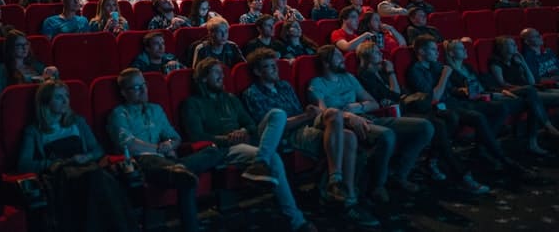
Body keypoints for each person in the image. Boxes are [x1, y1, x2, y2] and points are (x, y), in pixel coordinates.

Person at [242, 48, 379, 226]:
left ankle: (335, 184)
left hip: (304, 125)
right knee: (349, 139)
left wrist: (309, 114)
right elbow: (272, 128)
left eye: (275, 65)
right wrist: (305, 116)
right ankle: (345, 199)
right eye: (268, 67)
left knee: (335, 116)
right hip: (288, 134)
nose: (275, 69)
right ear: (257, 72)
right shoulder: (253, 93)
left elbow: (301, 113)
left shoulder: (284, 86)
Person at [181, 58, 318, 232]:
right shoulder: (192, 104)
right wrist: (228, 138)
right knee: (274, 157)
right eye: (216, 72)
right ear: (202, 78)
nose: (221, 76)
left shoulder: (230, 98)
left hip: (248, 139)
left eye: (222, 72)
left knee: (278, 114)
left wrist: (245, 131)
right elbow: (197, 136)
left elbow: (252, 125)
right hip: (226, 147)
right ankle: (297, 221)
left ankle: (259, 163)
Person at [357, 41, 490, 194]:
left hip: (405, 107)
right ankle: (459, 174)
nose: (381, 53)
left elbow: (396, 93)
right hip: (394, 113)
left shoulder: (382, 71)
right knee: (438, 125)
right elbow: (392, 96)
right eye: (375, 52)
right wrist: (392, 77)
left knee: (445, 120)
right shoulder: (364, 75)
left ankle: (435, 163)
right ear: (366, 56)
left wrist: (390, 73)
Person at [309, 44, 434, 201]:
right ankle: (378, 185)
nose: (343, 58)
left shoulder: (349, 77)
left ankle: (398, 174)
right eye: (337, 56)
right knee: (387, 135)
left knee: (425, 127)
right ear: (326, 63)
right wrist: (348, 115)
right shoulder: (317, 83)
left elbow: (373, 103)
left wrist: (357, 106)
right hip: (346, 124)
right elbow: (324, 113)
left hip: (369, 116)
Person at [108, 68, 222, 232]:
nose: (143, 90)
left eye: (144, 85)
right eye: (136, 87)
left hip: (168, 161)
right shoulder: (119, 114)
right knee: (181, 176)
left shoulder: (156, 109)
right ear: (124, 93)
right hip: (143, 163)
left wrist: (170, 145)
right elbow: (128, 144)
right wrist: (158, 149)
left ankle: (178, 170)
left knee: (213, 151)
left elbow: (175, 138)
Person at [17, 80, 139, 232]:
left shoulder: (77, 122)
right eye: (59, 97)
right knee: (98, 180)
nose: (65, 101)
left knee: (100, 179)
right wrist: (52, 163)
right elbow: (24, 164)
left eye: (67, 96)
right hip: (63, 176)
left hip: (86, 168)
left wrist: (86, 157)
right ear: (46, 101)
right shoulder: (34, 131)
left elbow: (97, 149)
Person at [408, 35, 532, 177]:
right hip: (440, 108)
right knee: (477, 117)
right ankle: (502, 159)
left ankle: (482, 150)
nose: (437, 53)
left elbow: (449, 90)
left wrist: (462, 91)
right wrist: (444, 76)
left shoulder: (436, 66)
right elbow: (434, 97)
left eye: (437, 49)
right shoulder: (416, 70)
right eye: (432, 50)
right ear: (422, 52)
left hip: (456, 102)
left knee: (499, 108)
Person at [489, 36, 559, 153]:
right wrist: (524, 88)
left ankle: (534, 142)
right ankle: (548, 127)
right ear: (502, 47)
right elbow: (502, 83)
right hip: (512, 92)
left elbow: (531, 81)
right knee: (534, 93)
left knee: (533, 102)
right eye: (511, 44)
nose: (515, 45)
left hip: (529, 91)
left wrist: (523, 62)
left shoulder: (515, 61)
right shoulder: (495, 61)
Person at [0, 30, 58, 99]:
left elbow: (54, 87)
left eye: (26, 44)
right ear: (10, 47)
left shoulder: (35, 65)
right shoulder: (0, 69)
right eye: (19, 45)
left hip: (41, 102)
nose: (24, 48)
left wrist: (54, 72)